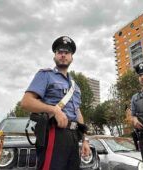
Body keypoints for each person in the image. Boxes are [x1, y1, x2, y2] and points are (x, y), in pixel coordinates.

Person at [21, 36, 90, 170]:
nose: (63, 55)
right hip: (54, 132)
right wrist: (54, 110)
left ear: (71, 57)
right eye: (60, 52)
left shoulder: (75, 86)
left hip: (74, 136)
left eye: (67, 52)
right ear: (55, 56)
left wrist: (85, 140)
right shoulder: (45, 75)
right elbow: (26, 102)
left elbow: (78, 113)